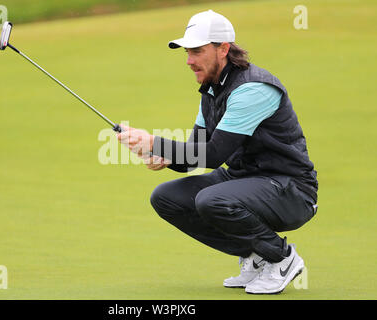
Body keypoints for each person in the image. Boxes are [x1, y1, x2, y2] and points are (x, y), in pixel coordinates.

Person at [117, 10, 318, 294]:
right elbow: (194, 156)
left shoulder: (253, 88)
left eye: (197, 51)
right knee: (167, 198)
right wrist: (168, 157)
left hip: (291, 190)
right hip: (244, 182)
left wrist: (153, 141)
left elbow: (212, 155)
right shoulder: (211, 91)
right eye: (187, 52)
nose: (189, 61)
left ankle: (281, 257)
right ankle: (256, 255)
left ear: (223, 49)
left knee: (212, 200)